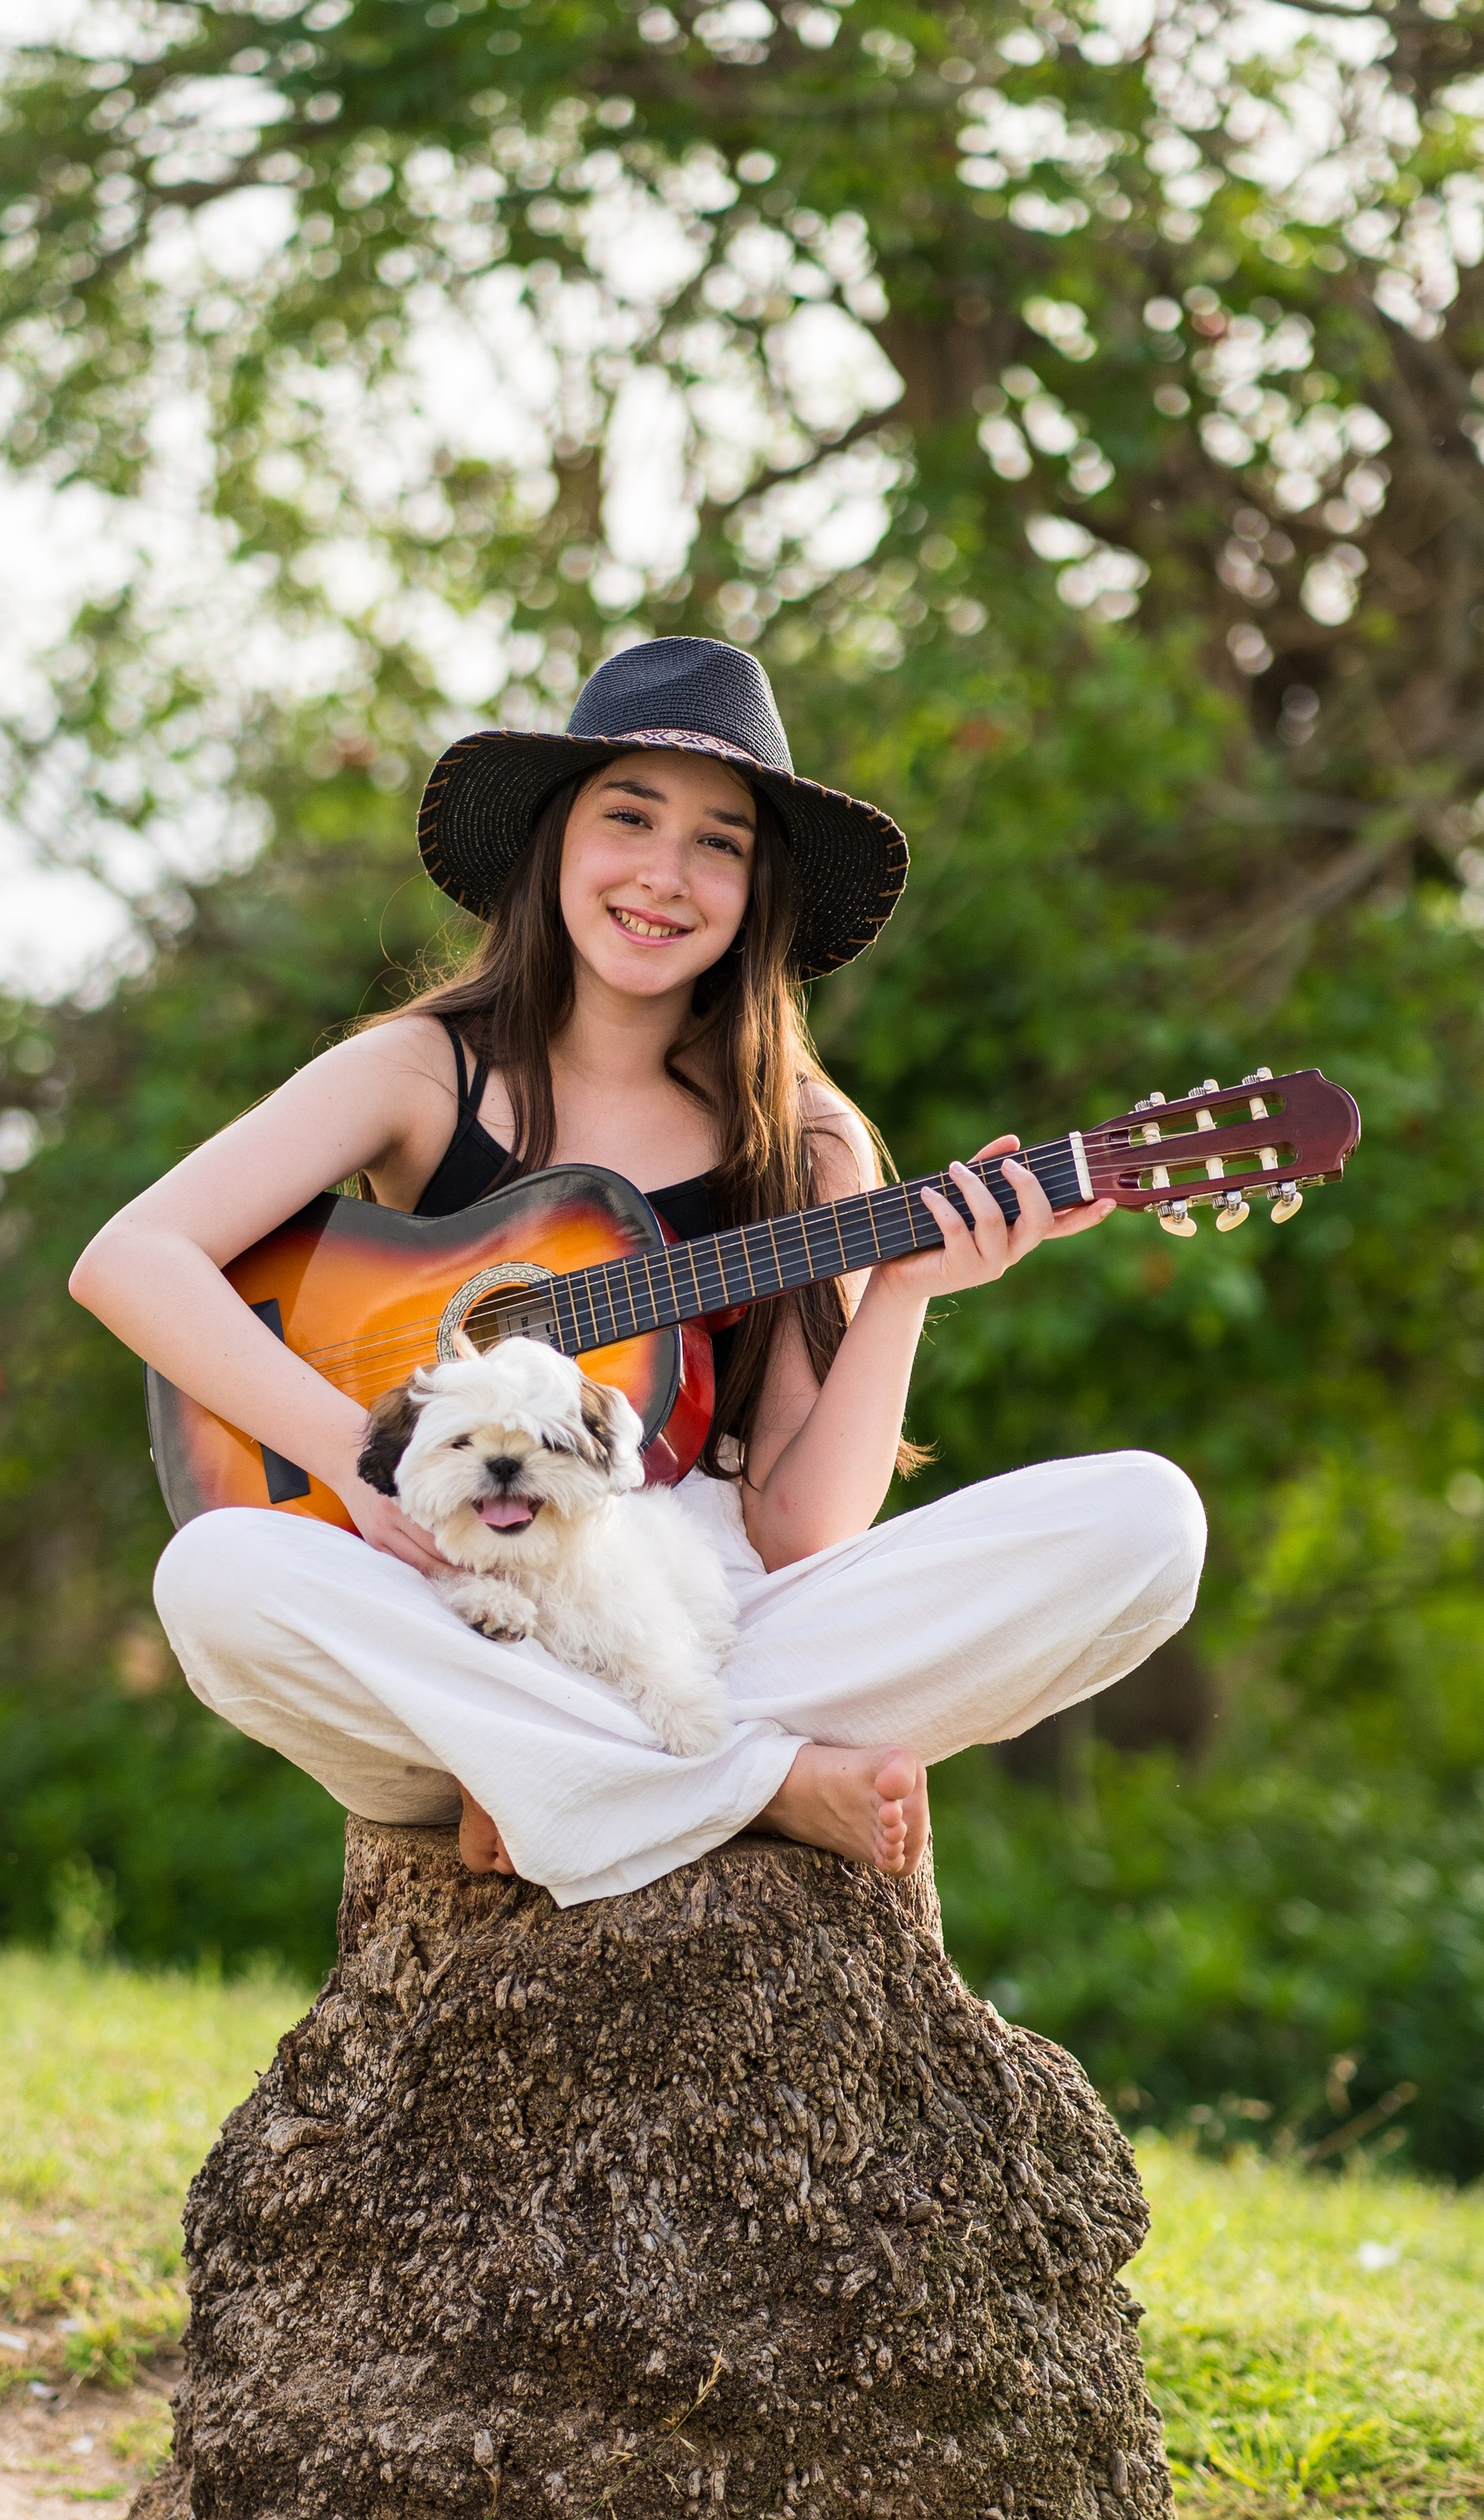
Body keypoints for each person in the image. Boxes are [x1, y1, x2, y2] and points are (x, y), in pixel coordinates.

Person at [69, 636, 1204, 1907]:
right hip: (441, 1607)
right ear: (556, 839)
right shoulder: (420, 1071)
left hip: (684, 1615)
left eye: (720, 841)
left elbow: (797, 1533)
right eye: (630, 816)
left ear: (758, 888)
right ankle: (756, 1784)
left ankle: (569, 1774)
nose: (666, 875)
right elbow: (132, 1261)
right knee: (218, 1577)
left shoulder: (806, 1136)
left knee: (1149, 1523)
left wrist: (904, 1287)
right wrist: (360, 1457)